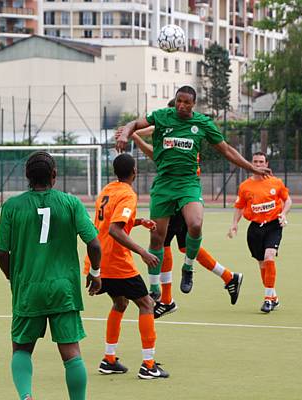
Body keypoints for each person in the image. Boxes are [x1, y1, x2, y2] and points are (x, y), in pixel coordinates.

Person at [115, 87, 263, 311]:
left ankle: (188, 269)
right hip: (164, 186)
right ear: (175, 101)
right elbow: (137, 126)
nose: (181, 105)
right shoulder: (162, 118)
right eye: (179, 102)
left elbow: (226, 149)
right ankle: (158, 291)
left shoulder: (202, 124)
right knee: (158, 240)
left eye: (186, 102)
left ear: (193, 104)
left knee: (195, 225)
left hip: (187, 184)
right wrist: (127, 133)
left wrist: (251, 167)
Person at [0, 151, 102, 400]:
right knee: (71, 352)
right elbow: (95, 245)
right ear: (54, 175)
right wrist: (95, 273)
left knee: (22, 349)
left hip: (28, 287)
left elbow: (2, 253)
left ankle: (26, 396)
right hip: (63, 289)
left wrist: (14, 278)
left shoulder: (12, 206)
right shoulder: (70, 203)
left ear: (26, 176)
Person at [121, 123, 243, 319]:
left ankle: (168, 299)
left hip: (179, 197)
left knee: (168, 244)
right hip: (175, 193)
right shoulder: (172, 131)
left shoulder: (180, 134)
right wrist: (134, 132)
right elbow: (151, 130)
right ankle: (228, 277)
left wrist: (134, 134)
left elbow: (154, 147)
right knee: (179, 246)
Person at [85, 153, 169, 380]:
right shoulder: (128, 195)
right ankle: (149, 365)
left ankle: (109, 359)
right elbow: (115, 230)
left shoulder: (108, 190)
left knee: (120, 303)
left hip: (100, 261)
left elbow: (110, 222)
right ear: (135, 172)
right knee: (147, 304)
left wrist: (138, 222)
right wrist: (143, 252)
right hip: (117, 262)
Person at [228, 152, 292, 313]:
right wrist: (234, 224)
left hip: (273, 225)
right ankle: (274, 296)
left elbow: (288, 200)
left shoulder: (276, 182)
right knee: (262, 264)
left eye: (261, 161)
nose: (258, 164)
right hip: (255, 228)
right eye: (255, 161)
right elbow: (239, 207)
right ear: (251, 163)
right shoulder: (245, 186)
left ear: (266, 163)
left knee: (269, 257)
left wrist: (283, 213)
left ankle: (268, 299)